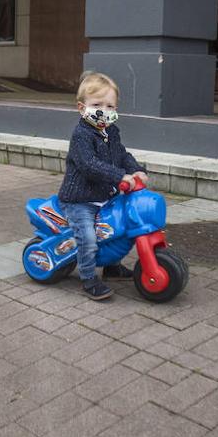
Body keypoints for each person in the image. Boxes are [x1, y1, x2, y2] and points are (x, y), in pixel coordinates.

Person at [58, 71, 148, 301]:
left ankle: (112, 266)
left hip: (104, 195)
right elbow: (89, 165)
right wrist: (119, 176)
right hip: (80, 200)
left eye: (110, 106)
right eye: (97, 105)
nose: (104, 111)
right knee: (88, 238)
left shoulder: (111, 131)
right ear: (82, 108)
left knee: (115, 229)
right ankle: (88, 279)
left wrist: (136, 170)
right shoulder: (81, 135)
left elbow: (121, 154)